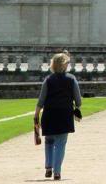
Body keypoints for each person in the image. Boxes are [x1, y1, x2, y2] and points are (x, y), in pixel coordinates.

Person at [33, 53, 81, 181]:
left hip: (49, 115)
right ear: (65, 65)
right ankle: (57, 172)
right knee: (60, 143)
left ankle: (48, 167)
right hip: (65, 115)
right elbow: (78, 100)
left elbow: (41, 100)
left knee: (49, 142)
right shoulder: (71, 79)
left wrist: (36, 115)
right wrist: (77, 108)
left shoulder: (48, 80)